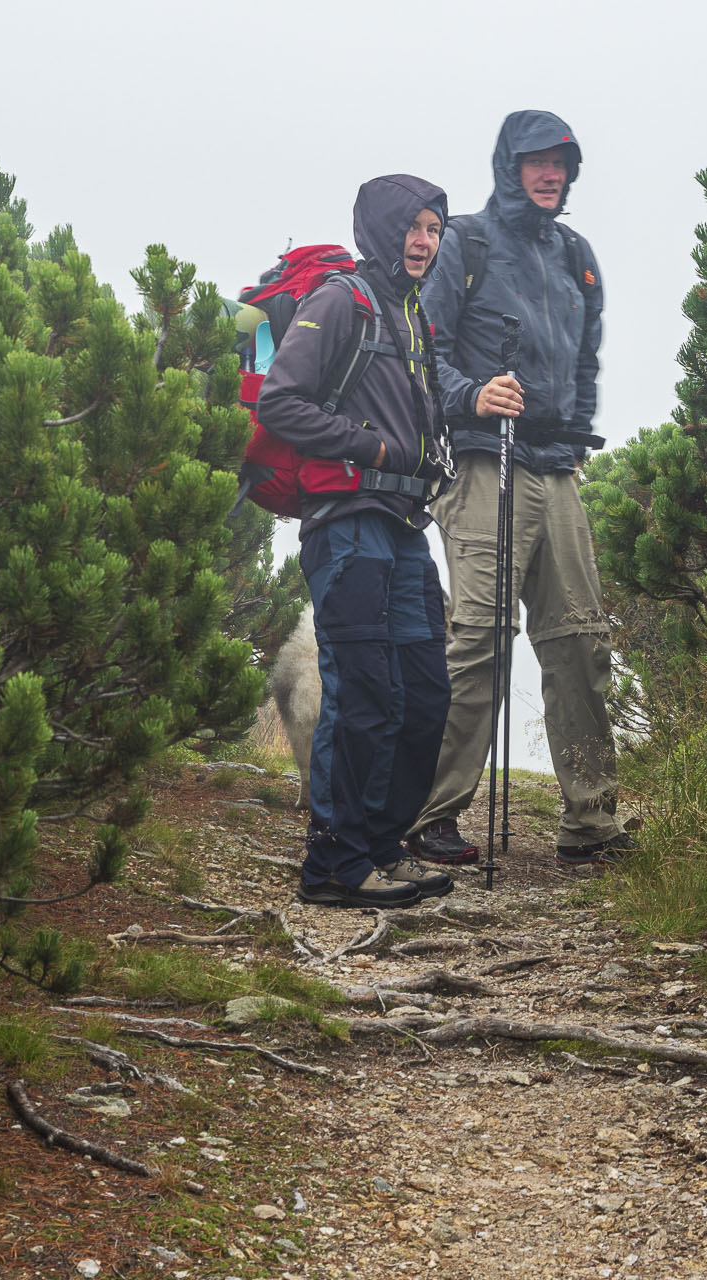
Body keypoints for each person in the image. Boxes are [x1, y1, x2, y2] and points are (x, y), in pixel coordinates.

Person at [406, 111, 636, 870]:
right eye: (536, 161)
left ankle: (591, 823)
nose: (550, 174)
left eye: (561, 163)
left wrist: (571, 435)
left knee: (579, 641)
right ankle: (432, 816)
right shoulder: (467, 242)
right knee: (477, 638)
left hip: (557, 468)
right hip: (480, 461)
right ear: (511, 165)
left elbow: (588, 365)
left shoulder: (577, 256)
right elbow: (420, 352)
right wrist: (473, 394)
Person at [257, 174, 458, 908]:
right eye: (412, 226)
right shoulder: (342, 300)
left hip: (405, 527)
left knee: (424, 694)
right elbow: (281, 402)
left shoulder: (413, 319)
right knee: (366, 693)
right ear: (382, 229)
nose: (424, 240)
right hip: (346, 524)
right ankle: (334, 866)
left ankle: (381, 845)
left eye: (435, 229)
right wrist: (370, 448)